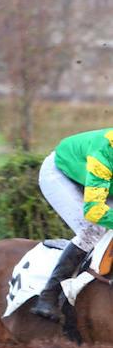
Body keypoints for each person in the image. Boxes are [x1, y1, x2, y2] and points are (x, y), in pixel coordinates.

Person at [30, 128, 113, 321]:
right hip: (60, 174)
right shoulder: (104, 153)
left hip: (99, 179)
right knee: (92, 230)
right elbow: (93, 210)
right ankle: (48, 296)